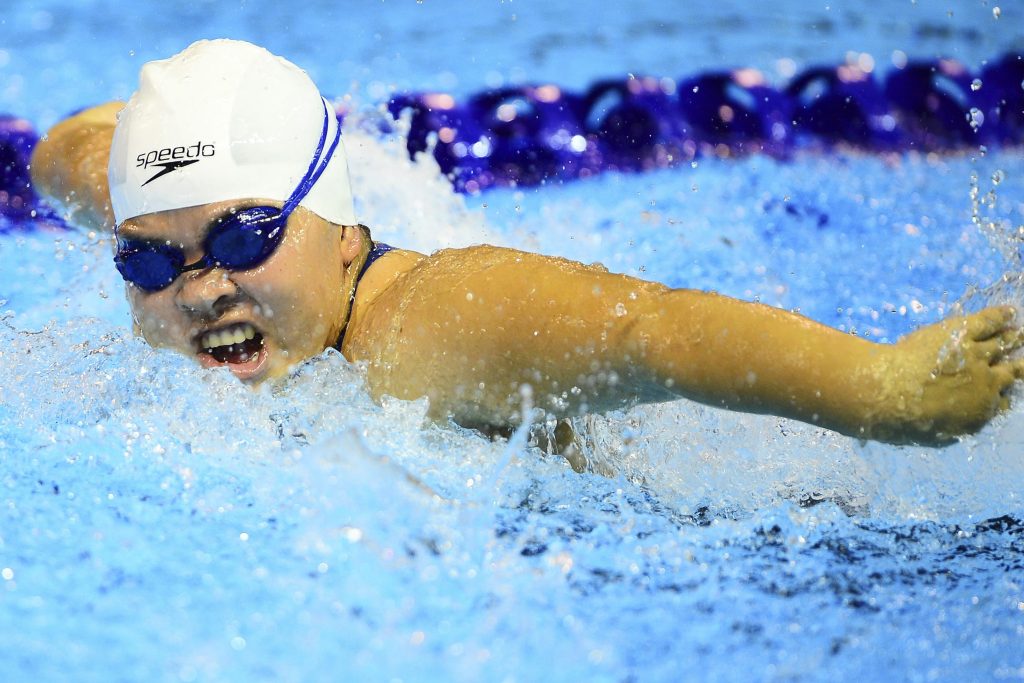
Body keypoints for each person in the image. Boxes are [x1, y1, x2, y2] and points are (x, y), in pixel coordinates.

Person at [29, 39, 1024, 452]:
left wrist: (879, 389)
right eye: (150, 261)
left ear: (340, 232)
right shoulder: (194, 259)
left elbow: (653, 330)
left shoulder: (423, 329)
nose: (200, 288)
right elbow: (68, 160)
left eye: (244, 233)